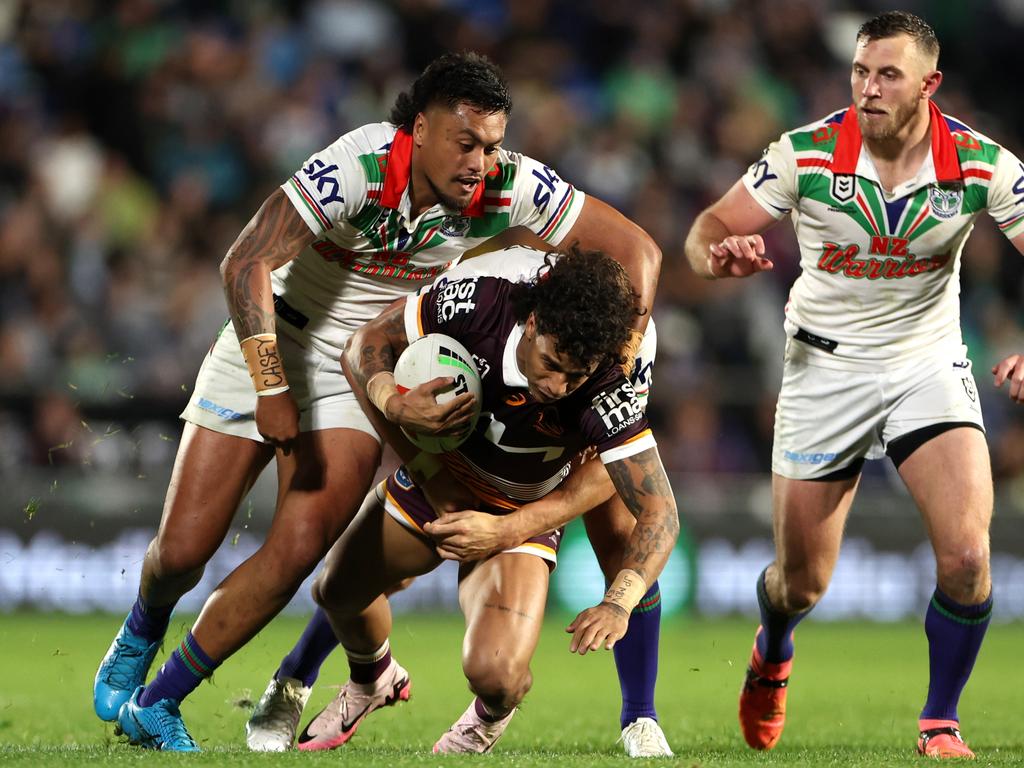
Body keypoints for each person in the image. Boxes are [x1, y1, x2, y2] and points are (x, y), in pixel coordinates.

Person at [96, 52, 661, 752]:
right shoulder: (358, 166)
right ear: (419, 130)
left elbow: (639, 255)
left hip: (361, 363)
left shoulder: (509, 182)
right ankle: (142, 629)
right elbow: (245, 262)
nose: (481, 162)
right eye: (466, 143)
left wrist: (620, 360)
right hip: (267, 337)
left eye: (491, 146)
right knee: (182, 550)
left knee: (301, 545)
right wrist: (272, 385)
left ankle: (162, 702)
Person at [683, 10, 1024, 760]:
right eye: (861, 72)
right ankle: (774, 648)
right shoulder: (804, 154)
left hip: (925, 364)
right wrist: (722, 256)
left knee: (968, 557)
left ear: (929, 84)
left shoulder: (977, 162)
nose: (868, 88)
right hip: (822, 372)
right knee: (800, 584)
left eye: (888, 75)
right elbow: (706, 230)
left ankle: (940, 720)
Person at [245, 245, 670, 757]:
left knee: (499, 676)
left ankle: (491, 721)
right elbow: (365, 345)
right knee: (335, 590)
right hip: (442, 478)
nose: (557, 386)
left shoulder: (612, 376)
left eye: (573, 377)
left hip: (522, 508)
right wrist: (395, 406)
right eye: (551, 364)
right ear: (532, 323)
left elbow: (658, 509)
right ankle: (369, 677)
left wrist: (616, 602)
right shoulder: (478, 301)